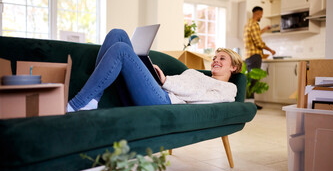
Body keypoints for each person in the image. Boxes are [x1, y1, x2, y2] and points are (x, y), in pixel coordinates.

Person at [67, 29, 243, 112]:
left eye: (222, 59)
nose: (215, 61)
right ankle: (93, 101)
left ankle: (75, 104)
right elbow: (185, 85)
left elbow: (200, 98)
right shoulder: (197, 73)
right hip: (158, 90)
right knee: (117, 34)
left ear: (234, 67)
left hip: (164, 100)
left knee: (121, 48)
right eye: (214, 58)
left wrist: (167, 81)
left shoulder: (229, 89)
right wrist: (155, 76)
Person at [243, 6, 276, 110]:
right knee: (253, 80)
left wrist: (264, 30)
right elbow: (258, 42)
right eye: (261, 14)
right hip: (255, 55)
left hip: (249, 56)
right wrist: (270, 50)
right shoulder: (254, 24)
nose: (261, 16)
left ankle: (250, 102)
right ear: (258, 13)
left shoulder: (248, 24)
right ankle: (251, 104)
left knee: (251, 80)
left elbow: (255, 35)